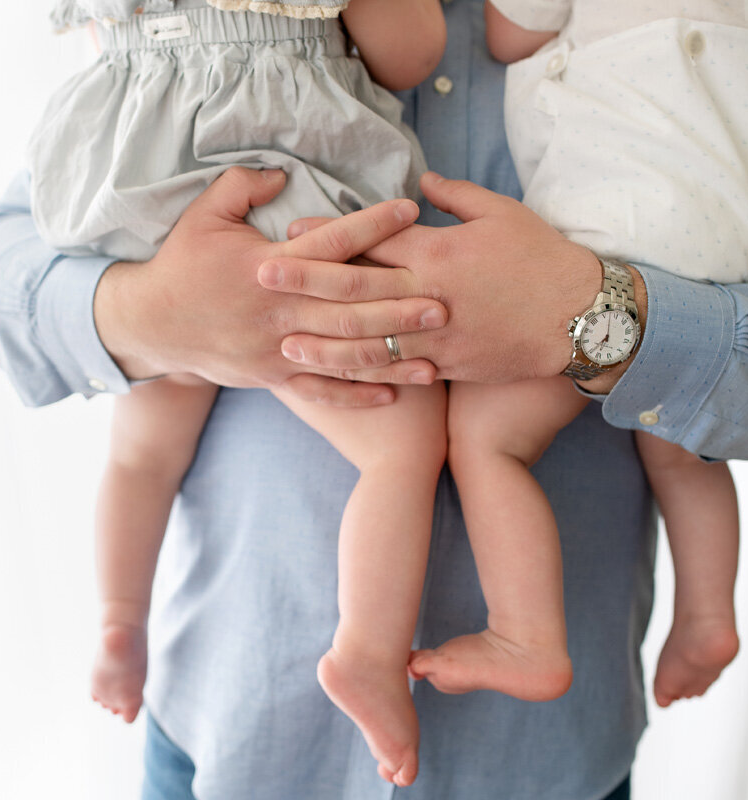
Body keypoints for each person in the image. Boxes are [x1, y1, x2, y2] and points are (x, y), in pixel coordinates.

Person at [0, 1, 748, 798]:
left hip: (545, 766)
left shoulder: (688, 36)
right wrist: (145, 312)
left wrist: (597, 316)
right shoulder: (216, 42)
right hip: (229, 739)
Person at [28, 0, 447, 785]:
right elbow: (415, 51)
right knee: (404, 448)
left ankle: (120, 617)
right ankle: (366, 652)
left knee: (143, 454)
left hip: (131, 187)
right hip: (271, 188)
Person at [404, 0, 748, 711]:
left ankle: (526, 634)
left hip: (625, 234)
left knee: (487, 438)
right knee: (681, 447)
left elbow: (507, 35)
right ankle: (709, 616)